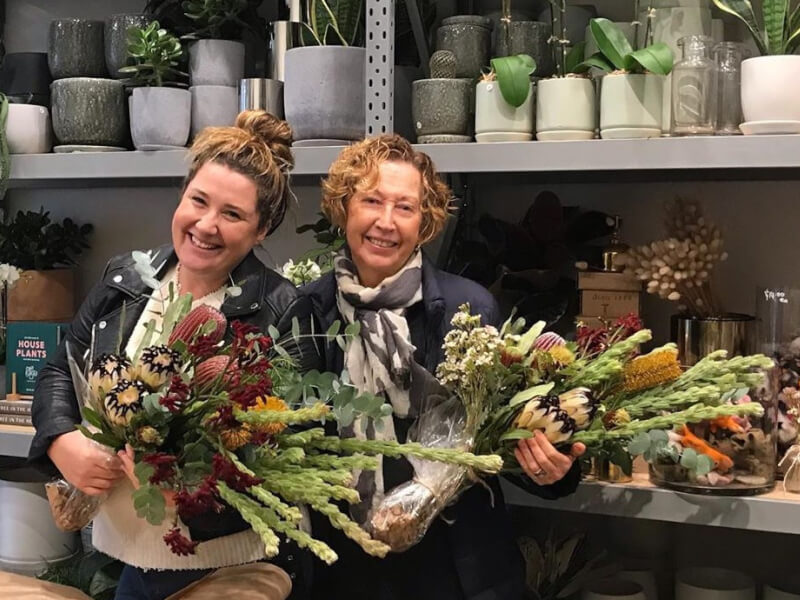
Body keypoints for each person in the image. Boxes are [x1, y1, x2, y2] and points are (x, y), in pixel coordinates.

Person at [29, 111, 319, 600]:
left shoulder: (282, 311)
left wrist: (198, 495)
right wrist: (61, 439)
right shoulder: (128, 279)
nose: (206, 225)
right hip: (129, 559)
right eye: (198, 200)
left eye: (232, 214)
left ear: (262, 229)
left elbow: (289, 456)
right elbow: (61, 369)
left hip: (226, 570)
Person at [302, 134, 585, 600]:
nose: (385, 222)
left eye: (406, 207)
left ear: (426, 222)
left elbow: (503, 438)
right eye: (371, 200)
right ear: (344, 207)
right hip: (347, 573)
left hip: (457, 571)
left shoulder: (467, 309)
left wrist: (552, 470)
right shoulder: (310, 313)